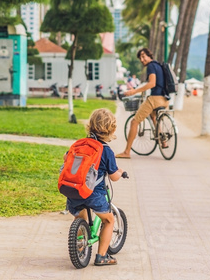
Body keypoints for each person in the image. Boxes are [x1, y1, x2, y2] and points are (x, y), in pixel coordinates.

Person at [65, 108, 125, 266]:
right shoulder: (106, 151)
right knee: (109, 220)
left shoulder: (79, 145)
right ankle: (102, 256)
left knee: (79, 216)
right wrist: (120, 173)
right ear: (111, 130)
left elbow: (66, 158)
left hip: (74, 191)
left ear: (89, 126)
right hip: (94, 194)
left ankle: (79, 245)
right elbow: (113, 177)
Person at [116, 48, 170, 159]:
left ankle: (126, 152)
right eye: (140, 57)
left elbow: (152, 83)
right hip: (164, 100)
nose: (142, 59)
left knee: (134, 122)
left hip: (155, 99)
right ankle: (163, 140)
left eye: (143, 56)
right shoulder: (159, 66)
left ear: (150, 56)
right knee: (153, 117)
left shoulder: (151, 66)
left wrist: (134, 91)